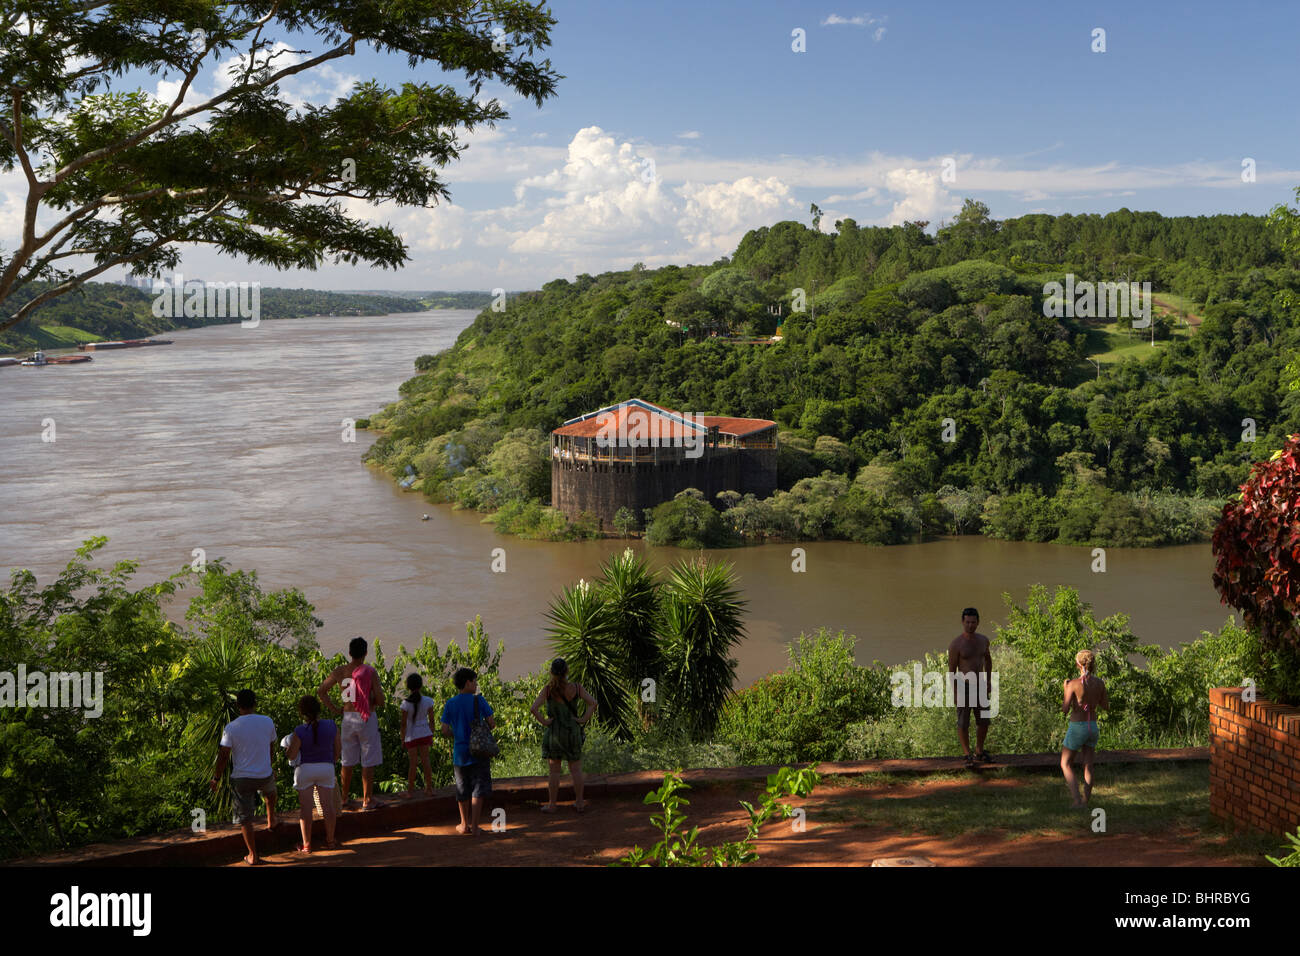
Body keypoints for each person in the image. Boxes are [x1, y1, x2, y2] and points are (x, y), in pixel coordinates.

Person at [211, 689, 278, 866]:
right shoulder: (267, 721)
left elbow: (224, 755)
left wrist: (216, 778)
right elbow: (271, 747)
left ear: (237, 705)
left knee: (245, 818)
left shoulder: (231, 727)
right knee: (270, 793)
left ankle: (252, 855)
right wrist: (268, 765)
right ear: (255, 703)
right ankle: (272, 820)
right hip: (265, 774)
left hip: (242, 779)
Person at [319, 636, 385, 810]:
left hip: (347, 718)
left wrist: (335, 709)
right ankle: (367, 800)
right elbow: (380, 698)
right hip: (366, 717)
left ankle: (344, 798)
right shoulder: (369, 672)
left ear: (349, 653)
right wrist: (374, 700)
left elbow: (322, 691)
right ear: (365, 653)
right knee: (368, 760)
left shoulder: (340, 671)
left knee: (347, 760)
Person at [530, 658, 597, 813]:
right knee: (576, 770)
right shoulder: (576, 688)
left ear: (552, 672)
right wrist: (582, 719)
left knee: (554, 772)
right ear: (567, 671)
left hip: (555, 733)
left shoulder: (548, 690)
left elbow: (534, 708)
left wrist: (545, 722)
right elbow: (593, 703)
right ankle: (579, 802)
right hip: (572, 732)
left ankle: (552, 804)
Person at [439, 667, 496, 835]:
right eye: (474, 681)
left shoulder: (450, 703)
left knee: (462, 788)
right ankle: (476, 826)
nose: (476, 684)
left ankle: (464, 825)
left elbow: (444, 729)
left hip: (460, 752)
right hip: (479, 751)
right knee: (478, 788)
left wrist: (457, 735)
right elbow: (492, 723)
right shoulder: (479, 701)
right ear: (468, 682)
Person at [285, 695, 341, 851]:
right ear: (318, 709)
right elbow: (338, 748)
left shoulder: (299, 730)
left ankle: (307, 845)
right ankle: (330, 840)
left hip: (305, 770)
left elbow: (292, 755)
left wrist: (287, 749)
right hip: (326, 768)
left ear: (302, 713)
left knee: (306, 809)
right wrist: (331, 762)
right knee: (328, 806)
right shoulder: (332, 725)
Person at [1061, 649, 1109, 808]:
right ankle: (1085, 801)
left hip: (1077, 726)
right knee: (1088, 765)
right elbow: (1105, 706)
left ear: (1078, 664)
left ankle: (1076, 800)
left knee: (1066, 763)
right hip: (1092, 727)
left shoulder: (1073, 684)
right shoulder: (1100, 683)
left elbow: (1065, 709)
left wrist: (1065, 688)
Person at [947, 607, 994, 768]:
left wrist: (988, 681)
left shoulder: (983, 640)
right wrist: (954, 692)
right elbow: (951, 670)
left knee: (984, 721)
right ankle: (967, 754)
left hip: (980, 685)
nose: (970, 625)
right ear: (962, 622)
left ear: (978, 622)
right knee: (963, 722)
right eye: (967, 622)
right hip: (963, 686)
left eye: (973, 622)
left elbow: (988, 660)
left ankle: (979, 751)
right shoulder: (956, 644)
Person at [400, 673, 436, 796]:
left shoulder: (405, 704)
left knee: (413, 763)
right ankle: (429, 788)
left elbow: (403, 724)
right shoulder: (428, 701)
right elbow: (432, 720)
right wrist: (431, 733)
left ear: (408, 687)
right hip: (425, 733)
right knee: (426, 761)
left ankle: (410, 791)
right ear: (421, 685)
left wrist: (402, 739)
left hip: (411, 735)